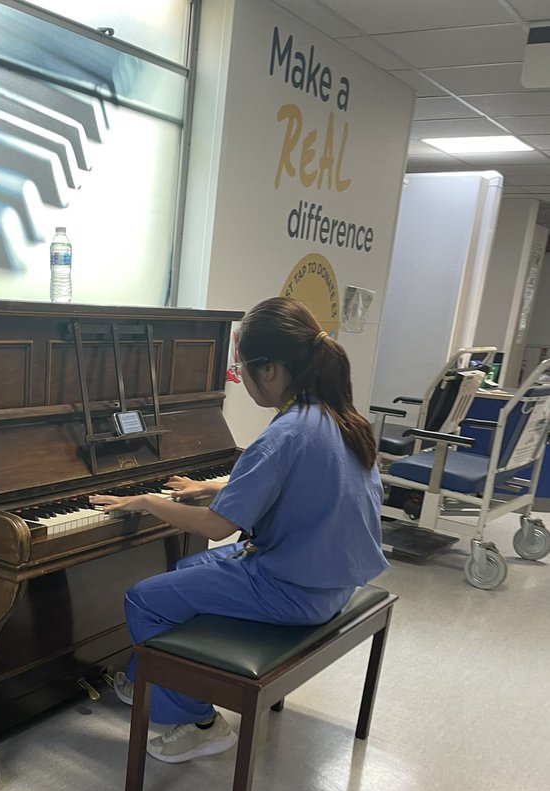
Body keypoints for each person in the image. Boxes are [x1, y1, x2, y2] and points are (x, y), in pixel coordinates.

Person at [88, 296, 388, 765]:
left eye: (240, 369)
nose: (239, 379)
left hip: (292, 591)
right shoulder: (337, 417)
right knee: (189, 566)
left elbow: (219, 525)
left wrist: (150, 501)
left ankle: (198, 723)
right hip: (332, 582)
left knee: (142, 598)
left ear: (269, 370)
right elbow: (285, 480)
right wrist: (211, 484)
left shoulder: (284, 432)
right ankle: (146, 675)